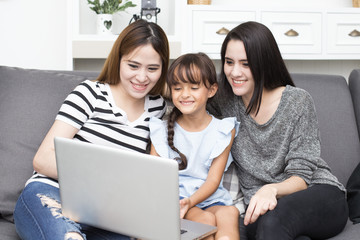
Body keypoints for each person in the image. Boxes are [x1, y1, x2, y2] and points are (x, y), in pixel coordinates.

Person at [13, 19, 169, 240]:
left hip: (108, 215)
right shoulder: (90, 93)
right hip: (52, 193)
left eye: (152, 68)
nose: (142, 77)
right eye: (133, 66)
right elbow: (42, 159)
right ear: (118, 60)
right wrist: (104, 179)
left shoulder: (157, 108)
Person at [207, 21, 348, 240]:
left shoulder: (297, 101)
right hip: (261, 209)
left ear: (264, 62)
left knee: (275, 221)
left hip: (316, 193)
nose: (235, 72)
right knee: (271, 225)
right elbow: (182, 91)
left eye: (246, 63)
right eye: (228, 62)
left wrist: (270, 189)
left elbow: (301, 176)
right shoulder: (223, 101)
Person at [149, 53, 240, 240]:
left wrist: (194, 200)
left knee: (229, 213)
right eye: (177, 88)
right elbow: (154, 179)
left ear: (212, 90)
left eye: (194, 87)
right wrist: (186, 203)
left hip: (210, 196)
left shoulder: (223, 130)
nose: (185, 94)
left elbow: (213, 181)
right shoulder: (160, 130)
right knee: (205, 219)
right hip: (178, 200)